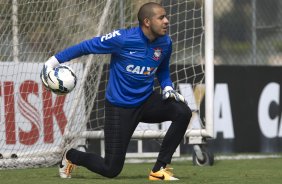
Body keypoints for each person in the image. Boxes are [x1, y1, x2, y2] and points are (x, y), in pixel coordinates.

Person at [41, 2, 192, 181]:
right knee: (111, 169)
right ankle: (71, 155)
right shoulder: (122, 39)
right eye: (161, 17)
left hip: (146, 100)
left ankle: (159, 169)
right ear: (147, 22)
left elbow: (163, 69)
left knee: (183, 112)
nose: (167, 21)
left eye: (166, 17)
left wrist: (167, 86)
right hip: (120, 108)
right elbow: (85, 47)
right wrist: (53, 62)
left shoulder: (165, 42)